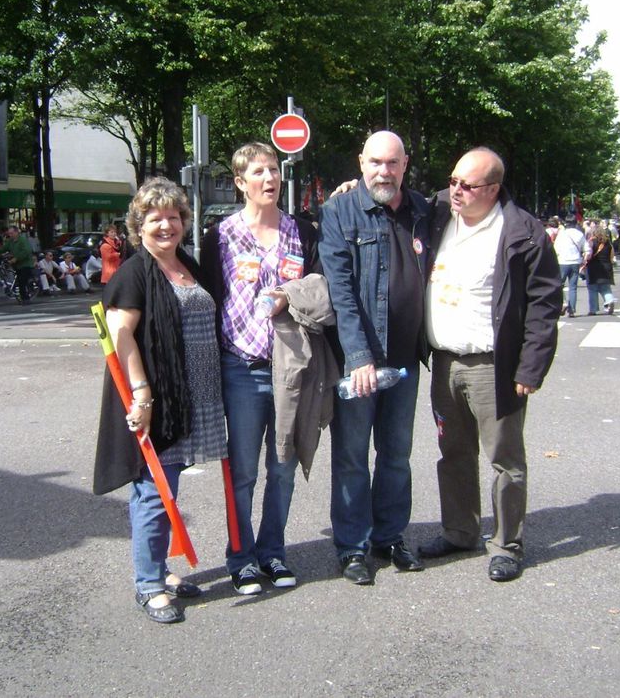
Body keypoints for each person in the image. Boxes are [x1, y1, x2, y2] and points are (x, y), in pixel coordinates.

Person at [418, 148, 561, 582]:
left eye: (467, 184)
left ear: (493, 189)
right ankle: (460, 530)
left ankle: (506, 544)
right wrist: (352, 188)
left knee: (504, 459)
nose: (455, 190)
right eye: (453, 180)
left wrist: (530, 368)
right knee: (453, 454)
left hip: (493, 366)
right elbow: (392, 202)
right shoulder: (440, 213)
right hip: (445, 362)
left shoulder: (521, 232)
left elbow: (544, 303)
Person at [93, 177, 226, 624]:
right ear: (139, 225)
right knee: (153, 491)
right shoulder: (135, 271)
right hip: (160, 399)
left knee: (168, 487)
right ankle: (148, 584)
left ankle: (160, 571)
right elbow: (119, 333)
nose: (165, 225)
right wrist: (143, 393)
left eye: (173, 217)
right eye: (155, 219)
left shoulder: (184, 263)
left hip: (191, 396)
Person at [201, 142, 322, 595]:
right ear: (239, 182)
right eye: (258, 172)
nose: (269, 179)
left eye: (273, 170)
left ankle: (273, 552)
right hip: (242, 368)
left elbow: (317, 287)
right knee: (244, 471)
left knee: (284, 466)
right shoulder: (221, 236)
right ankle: (241, 556)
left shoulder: (301, 232)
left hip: (291, 368)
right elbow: (212, 297)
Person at [318, 130, 429, 585]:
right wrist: (359, 355)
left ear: (405, 165)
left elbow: (470, 194)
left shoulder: (424, 210)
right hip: (360, 359)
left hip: (405, 357)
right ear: (361, 163)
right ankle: (352, 546)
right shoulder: (339, 211)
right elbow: (340, 292)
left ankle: (389, 536)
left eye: (393, 163)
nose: (384, 171)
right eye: (375, 163)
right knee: (350, 455)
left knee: (397, 454)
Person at [553, 215, 588, 317]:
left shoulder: (562, 234)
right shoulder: (579, 234)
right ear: (575, 222)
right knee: (573, 287)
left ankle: (562, 304)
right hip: (575, 262)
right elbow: (587, 248)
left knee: (559, 285)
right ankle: (572, 310)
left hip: (563, 261)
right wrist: (584, 259)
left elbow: (556, 249)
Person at [0, 225, 36, 304]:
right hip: (17, 265)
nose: (10, 235)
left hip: (25, 264)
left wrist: (16, 258)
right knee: (19, 281)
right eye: (9, 233)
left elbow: (27, 251)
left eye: (12, 233)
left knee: (22, 281)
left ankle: (25, 299)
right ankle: (21, 295)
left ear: (16, 232)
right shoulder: (10, 241)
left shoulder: (23, 240)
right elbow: (4, 248)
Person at [585, 224, 616, 315]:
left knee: (592, 289)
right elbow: (612, 256)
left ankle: (593, 309)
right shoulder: (608, 242)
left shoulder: (591, 242)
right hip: (607, 267)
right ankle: (609, 300)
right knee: (606, 288)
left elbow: (588, 255)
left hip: (593, 267)